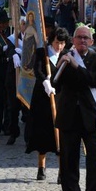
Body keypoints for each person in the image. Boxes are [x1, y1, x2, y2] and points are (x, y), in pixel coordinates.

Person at [52, 25, 96, 191]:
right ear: (73, 40)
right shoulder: (65, 57)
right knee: (69, 158)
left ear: (91, 41)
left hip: (91, 116)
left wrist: (75, 66)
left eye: (86, 38)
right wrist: (59, 66)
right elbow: (55, 82)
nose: (82, 40)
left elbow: (94, 80)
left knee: (93, 159)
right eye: (79, 37)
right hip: (69, 115)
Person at [26, 27, 68, 181]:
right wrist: (45, 82)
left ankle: (61, 170)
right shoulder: (42, 53)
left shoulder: (66, 55)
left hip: (59, 97)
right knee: (43, 132)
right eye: (57, 42)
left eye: (62, 43)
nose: (59, 46)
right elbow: (37, 70)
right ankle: (41, 166)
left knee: (60, 134)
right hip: (42, 98)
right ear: (51, 41)